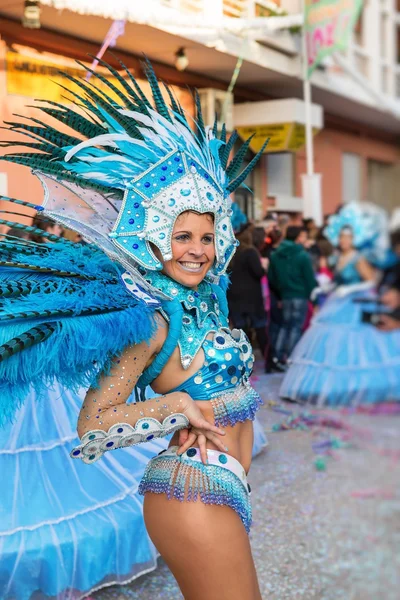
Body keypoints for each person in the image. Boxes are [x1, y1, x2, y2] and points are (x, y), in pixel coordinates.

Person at [0, 59, 268, 600]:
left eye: (207, 237)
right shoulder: (148, 319)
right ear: (156, 239)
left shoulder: (205, 301)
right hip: (192, 490)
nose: (196, 250)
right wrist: (181, 409)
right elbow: (93, 425)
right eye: (182, 237)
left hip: (229, 478)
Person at [280, 202, 400, 407]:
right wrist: (325, 289)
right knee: (328, 345)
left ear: (356, 238)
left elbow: (371, 281)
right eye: (342, 236)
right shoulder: (338, 257)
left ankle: (357, 389)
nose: (345, 240)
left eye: (349, 236)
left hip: (355, 304)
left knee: (356, 347)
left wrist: (349, 290)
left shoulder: (359, 257)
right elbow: (338, 281)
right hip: (337, 303)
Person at [267, 226, 317, 370]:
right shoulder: (302, 255)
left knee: (285, 326)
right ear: (297, 237)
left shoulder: (276, 255)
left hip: (285, 295)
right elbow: (309, 279)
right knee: (295, 327)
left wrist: (280, 292)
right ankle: (290, 357)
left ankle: (277, 356)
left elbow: (271, 277)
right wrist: (313, 299)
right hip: (300, 295)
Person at [228, 225, 269, 369]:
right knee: (260, 328)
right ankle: (268, 361)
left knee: (241, 330)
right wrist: (264, 268)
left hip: (234, 296)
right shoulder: (250, 252)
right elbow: (258, 272)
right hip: (252, 297)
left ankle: (244, 361)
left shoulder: (231, 252)